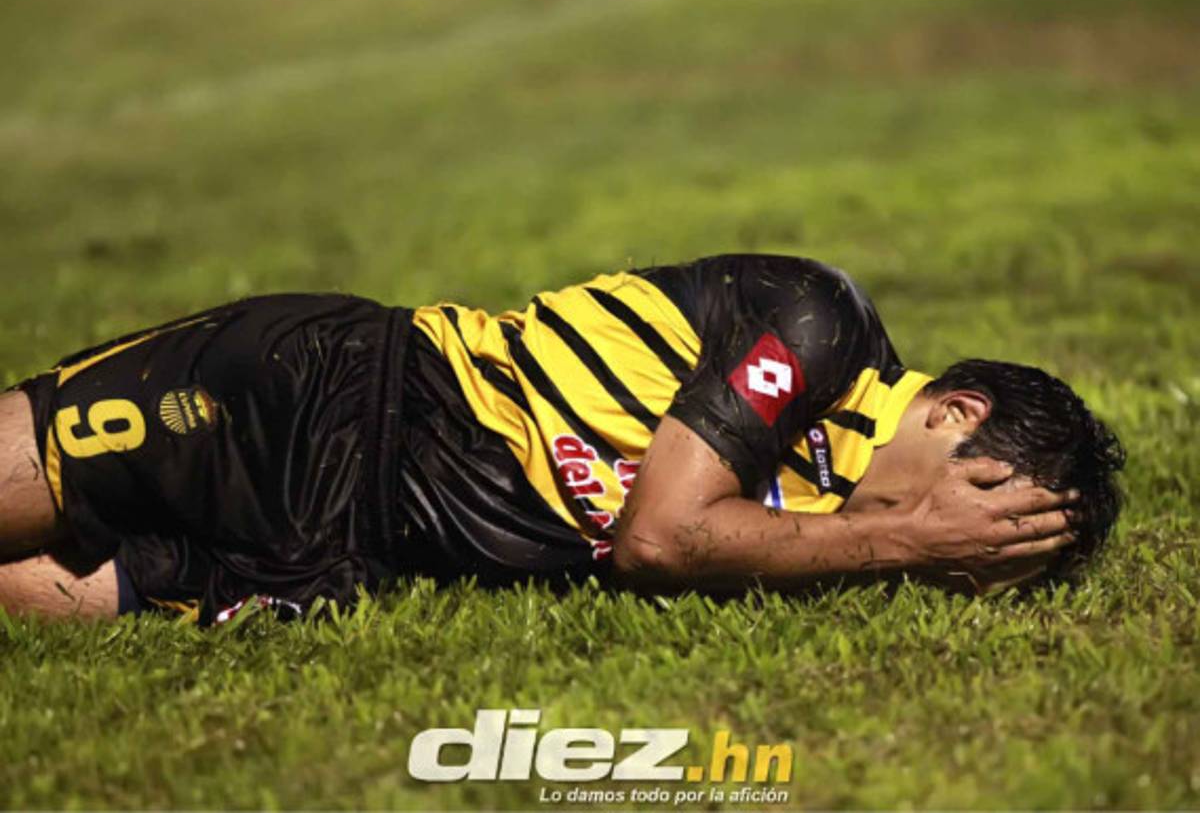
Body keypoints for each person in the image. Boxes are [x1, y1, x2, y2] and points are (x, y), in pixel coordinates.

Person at [0, 255, 1124, 623]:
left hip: (345, 559)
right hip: (322, 396)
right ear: (955, 414)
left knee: (50, 598)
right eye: (976, 514)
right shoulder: (819, 328)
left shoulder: (819, 531)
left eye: (974, 569)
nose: (943, 550)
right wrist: (917, 543)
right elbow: (661, 541)